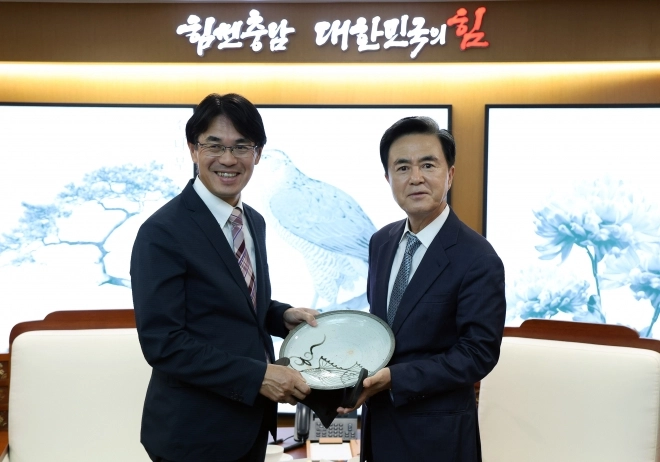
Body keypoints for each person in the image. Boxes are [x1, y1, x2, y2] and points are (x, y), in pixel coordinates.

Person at [130, 93, 318, 462]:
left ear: (257, 154)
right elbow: (163, 343)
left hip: (249, 426)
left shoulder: (253, 221)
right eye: (214, 145)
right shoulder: (162, 232)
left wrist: (279, 315)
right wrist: (258, 377)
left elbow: (232, 302)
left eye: (241, 146)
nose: (228, 159)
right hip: (193, 435)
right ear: (193, 149)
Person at [338, 116, 506, 461]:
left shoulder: (478, 257)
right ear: (388, 179)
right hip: (378, 432)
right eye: (402, 167)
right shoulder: (381, 242)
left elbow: (478, 353)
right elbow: (382, 330)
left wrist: (396, 378)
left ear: (450, 174)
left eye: (428, 165)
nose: (415, 178)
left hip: (438, 439)